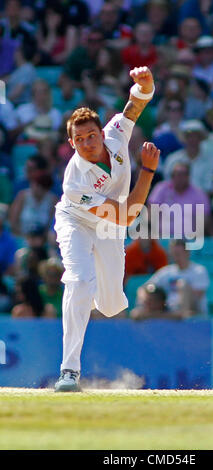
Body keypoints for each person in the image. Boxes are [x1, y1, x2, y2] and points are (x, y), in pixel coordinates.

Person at [53, 66, 159, 392]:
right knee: (79, 281)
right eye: (79, 140)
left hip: (109, 228)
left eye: (91, 136)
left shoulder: (116, 134)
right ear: (72, 144)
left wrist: (146, 85)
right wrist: (148, 171)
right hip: (77, 221)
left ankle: (91, 294)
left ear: (103, 132)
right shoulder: (75, 181)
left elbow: (133, 107)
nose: (87, 143)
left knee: (112, 306)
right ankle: (69, 371)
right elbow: (128, 218)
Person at [147, 239, 210, 318]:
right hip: (169, 309)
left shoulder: (199, 271)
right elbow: (147, 287)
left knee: (182, 284)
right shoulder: (166, 272)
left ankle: (181, 315)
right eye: (173, 254)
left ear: (187, 252)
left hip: (193, 310)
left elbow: (198, 297)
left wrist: (179, 305)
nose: (175, 257)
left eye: (178, 254)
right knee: (149, 293)